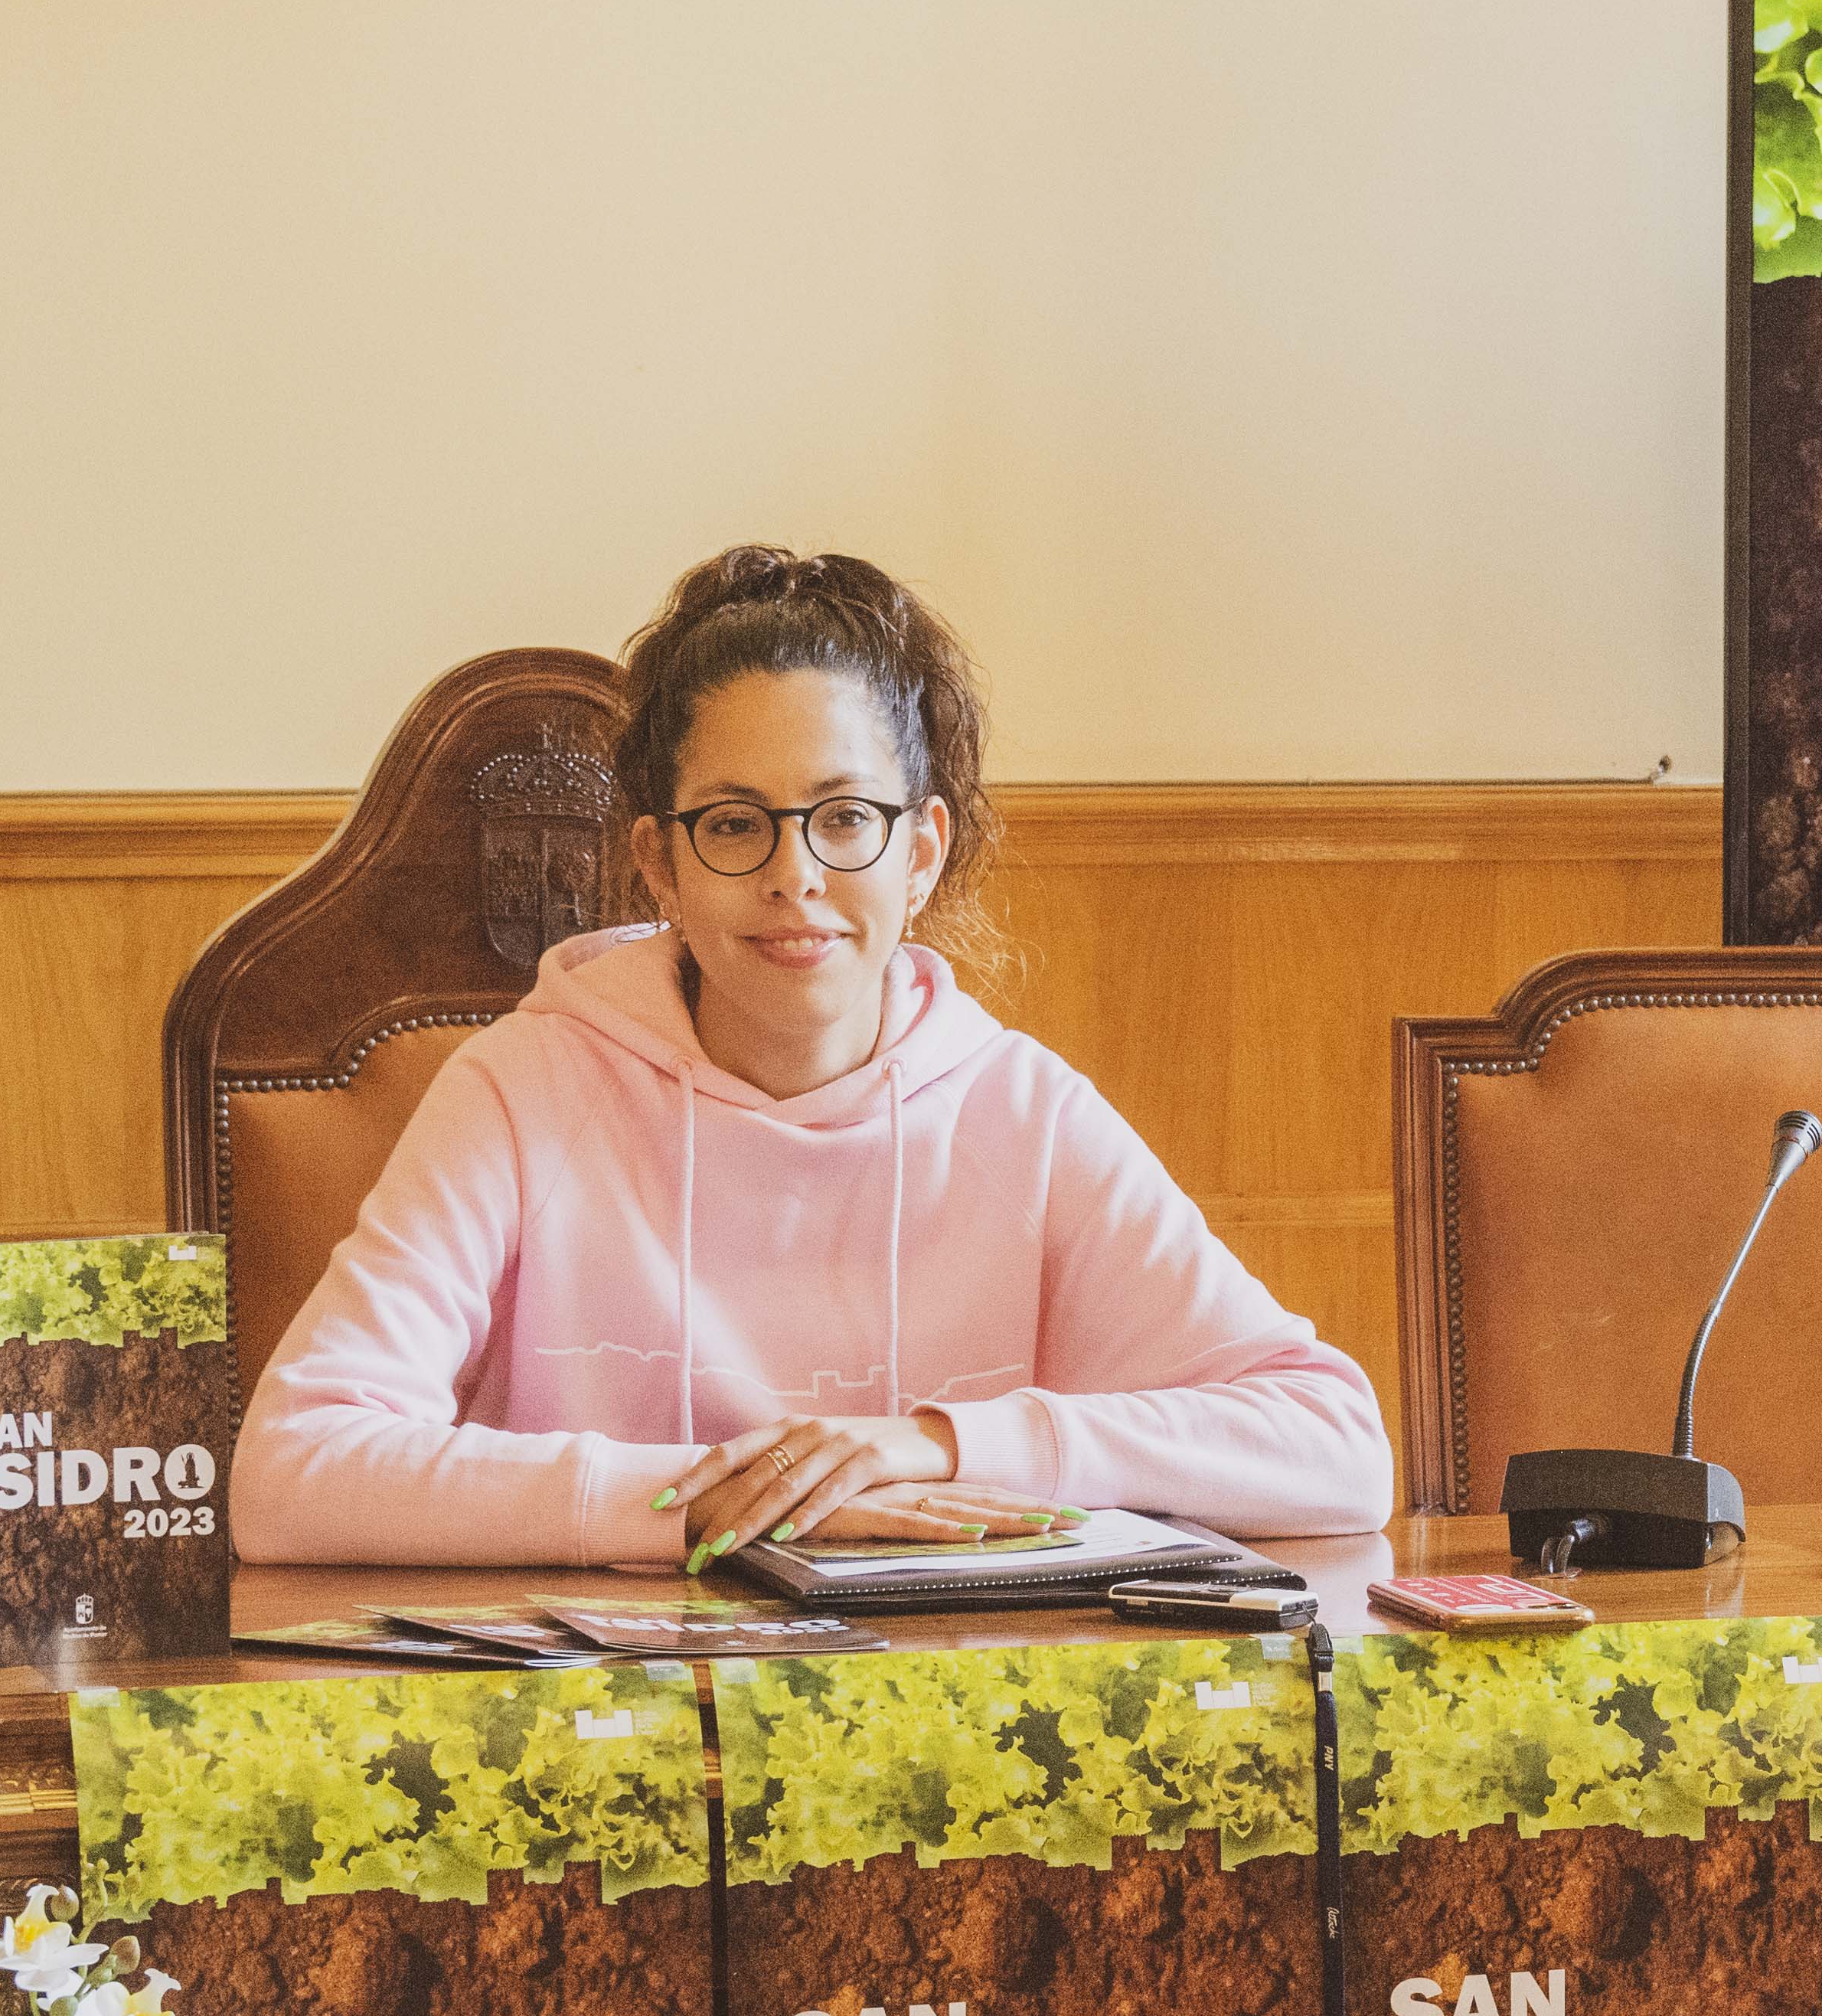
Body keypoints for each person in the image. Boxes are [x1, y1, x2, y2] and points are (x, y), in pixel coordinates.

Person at [232, 547, 1394, 1569]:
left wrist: (931, 1447)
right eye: (735, 824)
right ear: (658, 864)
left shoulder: (1021, 1112)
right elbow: (291, 1473)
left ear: (923, 851)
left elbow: (1335, 1448)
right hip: (610, 1734)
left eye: (846, 819)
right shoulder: (522, 1089)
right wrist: (723, 1505)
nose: (797, 875)